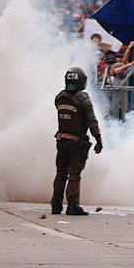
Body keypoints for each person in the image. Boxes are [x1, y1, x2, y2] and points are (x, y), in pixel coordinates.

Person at [51, 67, 102, 216]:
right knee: (74, 173)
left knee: (60, 173)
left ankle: (56, 204)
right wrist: (98, 140)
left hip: (61, 139)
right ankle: (73, 205)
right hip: (77, 141)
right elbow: (92, 121)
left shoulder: (60, 97)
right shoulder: (83, 99)